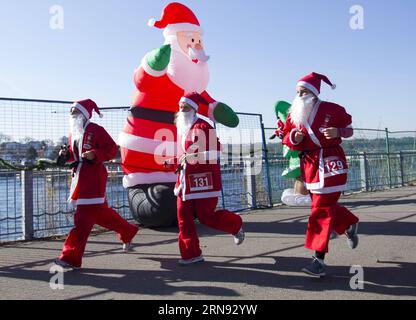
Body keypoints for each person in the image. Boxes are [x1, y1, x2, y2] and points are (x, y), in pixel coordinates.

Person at [282, 73, 359, 277]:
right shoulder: (293, 114)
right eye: (297, 92)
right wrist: (293, 137)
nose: (300, 95)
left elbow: (350, 130)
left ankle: (318, 260)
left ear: (314, 93)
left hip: (331, 162)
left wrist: (338, 132)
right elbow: (285, 138)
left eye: (304, 91)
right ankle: (348, 223)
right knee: (322, 205)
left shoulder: (333, 109)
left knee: (320, 210)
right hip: (310, 165)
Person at [54, 99, 139, 270]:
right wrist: (65, 155)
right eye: (71, 113)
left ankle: (70, 257)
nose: (72, 116)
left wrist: (95, 154)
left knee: (83, 220)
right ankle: (128, 231)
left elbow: (111, 149)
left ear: (84, 115)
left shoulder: (96, 130)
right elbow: (74, 155)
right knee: (100, 214)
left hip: (93, 179)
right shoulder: (73, 133)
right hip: (79, 178)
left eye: (75, 112)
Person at [170, 93, 245, 266]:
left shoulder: (204, 126)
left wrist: (193, 156)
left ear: (194, 109)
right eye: (180, 106)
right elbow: (183, 154)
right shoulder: (181, 128)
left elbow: (216, 152)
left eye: (186, 107)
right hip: (184, 180)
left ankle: (235, 224)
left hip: (204, 179)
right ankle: (191, 254)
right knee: (183, 217)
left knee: (206, 217)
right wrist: (174, 161)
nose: (182, 110)